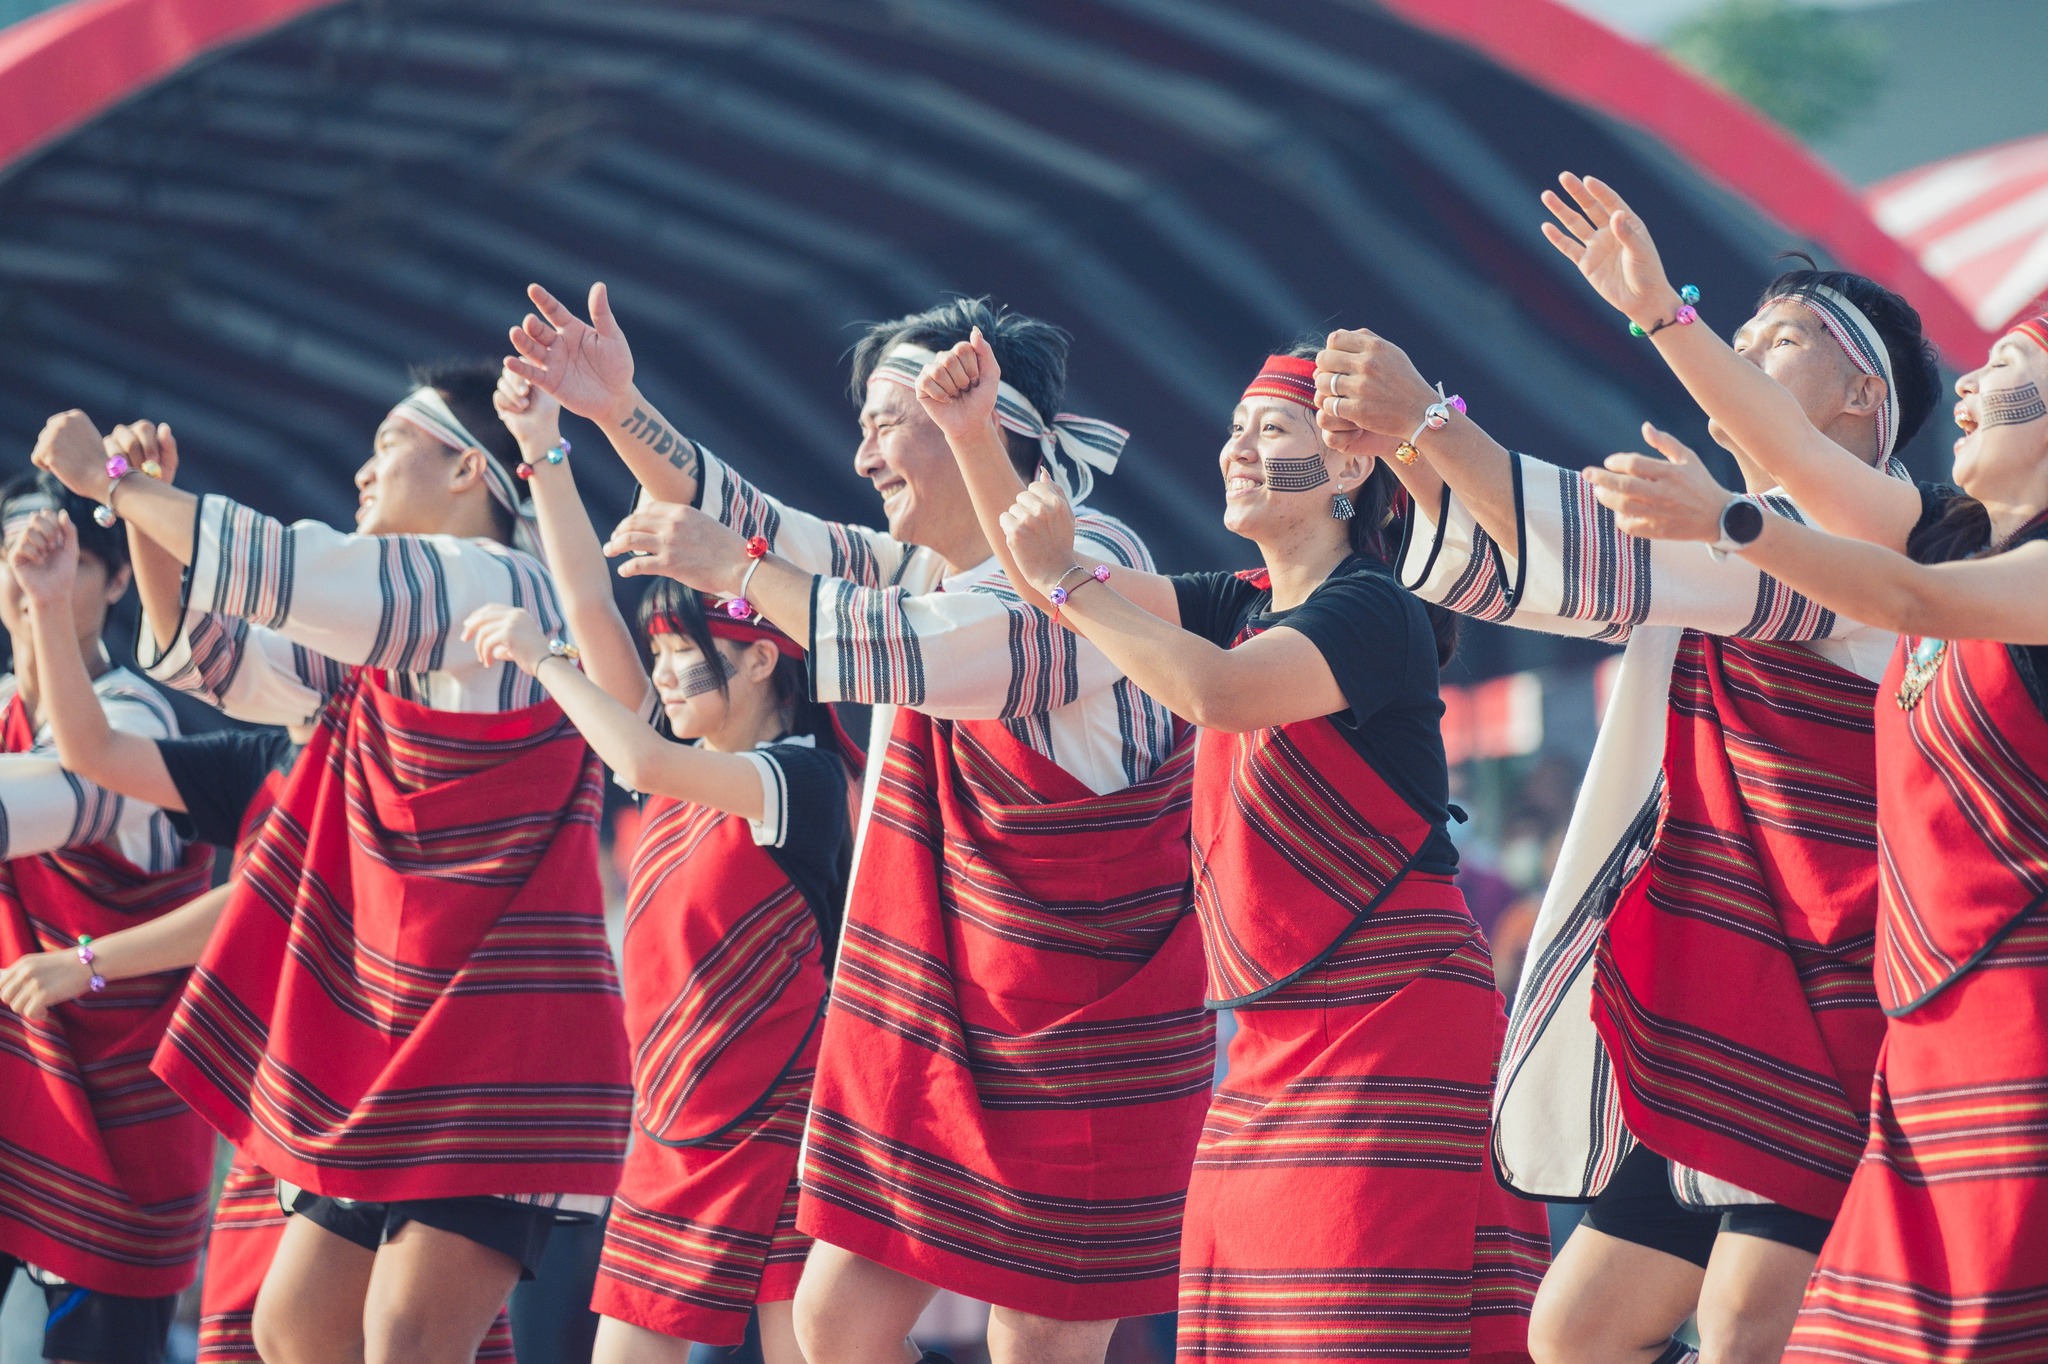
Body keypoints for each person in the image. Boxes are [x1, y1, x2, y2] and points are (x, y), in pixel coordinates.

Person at [503, 288, 1207, 1364]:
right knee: (835, 1324)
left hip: (1077, 1035)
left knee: (1034, 1351)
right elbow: (754, 520)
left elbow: (909, 646)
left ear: (977, 416)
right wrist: (616, 410)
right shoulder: (926, 569)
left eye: (884, 423)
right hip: (949, 1024)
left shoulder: (1087, 555)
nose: (862, 454)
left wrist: (736, 573)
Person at [1312, 170, 1945, 1363]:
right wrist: (1409, 450)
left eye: (1776, 341)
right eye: (1732, 340)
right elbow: (1539, 568)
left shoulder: (1882, 540)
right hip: (1726, 990)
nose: (1740, 356)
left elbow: (1597, 549)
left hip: (1835, 989)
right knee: (1575, 1330)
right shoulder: (1732, 525)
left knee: (1749, 1322)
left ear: (1866, 391)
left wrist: (1429, 421)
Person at [922, 333, 1549, 1363]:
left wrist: (1071, 581)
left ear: (1348, 466)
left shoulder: (1373, 607)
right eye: (1234, 428)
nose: (1235, 449)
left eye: (1270, 429)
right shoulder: (1241, 600)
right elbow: (1045, 586)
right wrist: (973, 438)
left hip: (1387, 1016)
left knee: (1355, 1335)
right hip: (1270, 1033)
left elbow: (1213, 690)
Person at [29, 364, 634, 1364]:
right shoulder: (387, 635)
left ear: (466, 470)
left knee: (403, 1335)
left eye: (389, 443)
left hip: (497, 1037)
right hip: (394, 1037)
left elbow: (291, 573)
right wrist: (142, 511)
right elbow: (219, 663)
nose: (361, 469)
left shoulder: (499, 585)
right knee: (295, 1324)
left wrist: (116, 485)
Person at [1581, 311, 2048, 1364]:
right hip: (1923, 1033)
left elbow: (1908, 596)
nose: (1968, 386)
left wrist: (1730, 520)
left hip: (2020, 1021)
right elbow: (1792, 446)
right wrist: (1654, 308)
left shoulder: (1996, 574)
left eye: (2008, 366)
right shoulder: (1949, 532)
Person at [461, 372, 852, 1364]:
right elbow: (592, 600)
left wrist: (542, 659)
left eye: (685, 650)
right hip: (673, 1126)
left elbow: (633, 758)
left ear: (762, 658)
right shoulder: (691, 762)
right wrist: (540, 446)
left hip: (786, 1126)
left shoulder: (797, 779)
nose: (663, 672)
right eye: (659, 652)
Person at [0, 472, 213, 1364]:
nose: (26, 573)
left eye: (63, 557)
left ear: (119, 578)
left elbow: (47, 802)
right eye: (11, 551)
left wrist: (82, 964)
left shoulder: (137, 723)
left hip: (121, 1128)